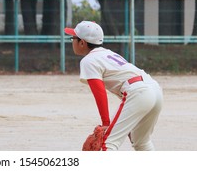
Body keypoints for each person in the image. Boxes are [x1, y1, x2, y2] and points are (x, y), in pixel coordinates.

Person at [64, 21, 163, 151]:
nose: (72, 41)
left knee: (108, 143)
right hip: (154, 89)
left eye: (73, 38)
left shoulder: (88, 61)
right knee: (141, 142)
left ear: (82, 42)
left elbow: (99, 92)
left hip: (139, 92)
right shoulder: (107, 53)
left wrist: (106, 123)